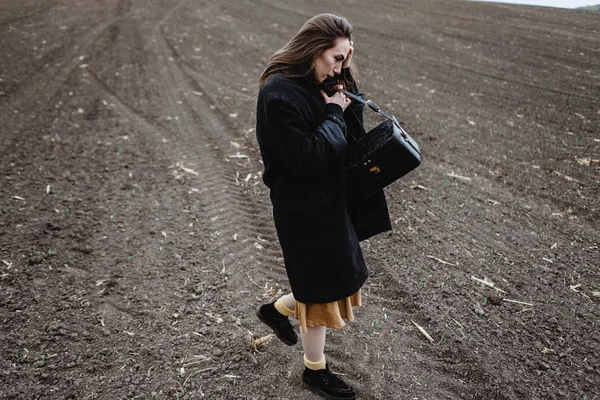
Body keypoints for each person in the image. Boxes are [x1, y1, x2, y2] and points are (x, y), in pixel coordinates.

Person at [255, 13, 391, 399]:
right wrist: (333, 110)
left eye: (346, 58)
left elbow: (351, 135)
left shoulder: (329, 82)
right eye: (335, 57)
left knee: (330, 277)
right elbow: (308, 157)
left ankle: (277, 310)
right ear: (313, 50)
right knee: (319, 289)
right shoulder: (278, 94)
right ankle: (315, 372)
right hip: (301, 207)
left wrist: (345, 84)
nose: (340, 66)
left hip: (333, 200)